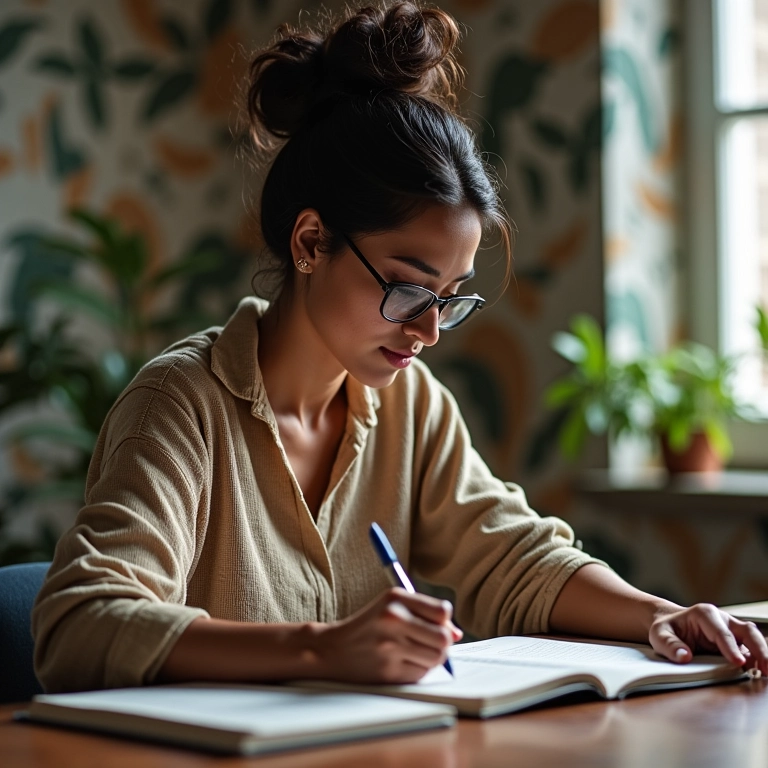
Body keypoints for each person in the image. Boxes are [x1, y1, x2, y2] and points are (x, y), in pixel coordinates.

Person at [32, 1, 767, 693]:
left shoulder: (410, 403)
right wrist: (321, 648)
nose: (430, 330)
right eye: (410, 289)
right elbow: (78, 626)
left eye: (451, 297)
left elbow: (515, 557)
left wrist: (657, 614)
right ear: (311, 242)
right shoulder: (181, 405)